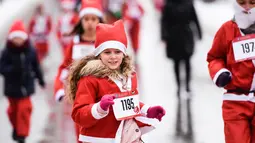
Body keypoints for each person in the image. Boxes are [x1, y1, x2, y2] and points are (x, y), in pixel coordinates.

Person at [66, 20, 166, 143]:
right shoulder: (90, 79)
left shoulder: (131, 76)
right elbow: (78, 114)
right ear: (99, 55)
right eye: (107, 52)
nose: (113, 56)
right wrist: (99, 108)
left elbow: (127, 104)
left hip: (127, 137)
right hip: (98, 140)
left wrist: (147, 111)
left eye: (117, 52)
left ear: (123, 53)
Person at [54, 0, 104, 142]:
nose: (89, 23)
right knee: (82, 134)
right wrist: (60, 89)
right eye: (86, 19)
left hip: (101, 98)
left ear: (100, 20)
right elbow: (64, 68)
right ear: (80, 21)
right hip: (79, 99)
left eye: (93, 19)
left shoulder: (105, 43)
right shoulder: (74, 43)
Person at [207, 0, 255, 142]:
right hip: (236, 102)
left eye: (252, 3)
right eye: (242, 3)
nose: (246, 7)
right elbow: (214, 57)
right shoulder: (227, 29)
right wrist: (220, 72)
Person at [0, 20, 45, 143]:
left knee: (24, 110)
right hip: (11, 88)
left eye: (20, 38)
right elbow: (2, 68)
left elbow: (36, 66)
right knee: (13, 111)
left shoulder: (30, 50)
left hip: (26, 87)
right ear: (11, 39)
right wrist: (12, 70)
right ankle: (16, 127)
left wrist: (40, 79)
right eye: (15, 38)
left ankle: (22, 135)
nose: (18, 41)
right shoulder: (7, 52)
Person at [161, 0, 202, 97]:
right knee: (176, 63)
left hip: (186, 35)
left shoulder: (188, 3)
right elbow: (164, 21)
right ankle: (179, 87)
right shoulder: (168, 4)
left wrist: (199, 32)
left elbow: (195, 18)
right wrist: (164, 36)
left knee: (187, 61)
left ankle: (187, 86)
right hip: (173, 36)